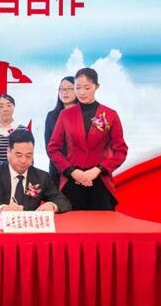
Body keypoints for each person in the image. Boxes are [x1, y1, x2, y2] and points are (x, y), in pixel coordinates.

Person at [47, 68, 128, 210]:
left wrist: (98, 170)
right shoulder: (65, 115)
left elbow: (121, 151)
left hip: (100, 180)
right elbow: (53, 149)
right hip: (72, 180)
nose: (82, 92)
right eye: (78, 88)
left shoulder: (110, 115)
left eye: (87, 87)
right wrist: (72, 171)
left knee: (102, 222)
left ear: (97, 86)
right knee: (72, 222)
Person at [0, 129, 71, 214]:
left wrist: (52, 205)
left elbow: (63, 201)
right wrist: (3, 208)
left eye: (28, 155)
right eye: (19, 155)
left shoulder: (42, 177)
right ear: (8, 152)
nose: (23, 160)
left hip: (29, 227)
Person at [44, 76, 78, 185]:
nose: (65, 92)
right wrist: (66, 168)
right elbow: (49, 147)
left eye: (69, 88)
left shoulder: (86, 115)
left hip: (82, 170)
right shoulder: (52, 116)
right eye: (62, 89)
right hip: (58, 171)